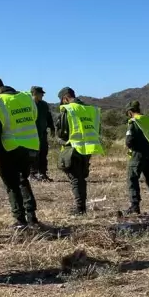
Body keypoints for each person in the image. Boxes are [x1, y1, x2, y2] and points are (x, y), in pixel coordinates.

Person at [0, 76, 40, 229]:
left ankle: (20, 220)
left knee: (11, 183)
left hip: (10, 146)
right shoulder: (26, 97)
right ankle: (32, 217)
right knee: (23, 179)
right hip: (31, 145)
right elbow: (34, 117)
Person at [55, 87, 103, 215]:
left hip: (73, 148)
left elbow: (62, 132)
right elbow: (97, 129)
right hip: (87, 148)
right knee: (81, 178)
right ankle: (81, 206)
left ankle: (80, 208)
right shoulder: (91, 110)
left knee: (76, 179)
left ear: (65, 98)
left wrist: (62, 141)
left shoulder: (69, 109)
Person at [123, 100, 149, 215]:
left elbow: (129, 141)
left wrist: (132, 147)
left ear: (130, 112)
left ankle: (135, 206)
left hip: (138, 155)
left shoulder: (134, 122)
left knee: (132, 179)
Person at [29, 86, 55, 182]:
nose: (43, 95)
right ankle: (33, 174)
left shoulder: (44, 104)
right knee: (33, 154)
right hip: (32, 134)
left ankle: (42, 173)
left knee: (43, 153)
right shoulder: (28, 104)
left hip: (43, 134)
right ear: (34, 93)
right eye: (41, 93)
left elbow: (48, 116)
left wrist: (52, 128)